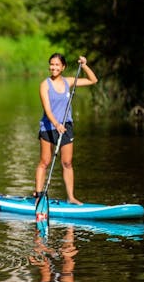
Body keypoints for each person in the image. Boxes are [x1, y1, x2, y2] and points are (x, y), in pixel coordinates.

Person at [34, 54, 98, 205]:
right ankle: (38, 196)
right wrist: (56, 124)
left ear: (63, 67)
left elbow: (93, 80)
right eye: (51, 64)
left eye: (57, 65)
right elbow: (47, 109)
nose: (53, 67)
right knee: (45, 161)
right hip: (49, 126)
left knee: (67, 162)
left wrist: (84, 66)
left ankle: (71, 197)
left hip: (66, 125)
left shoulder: (68, 81)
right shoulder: (45, 85)